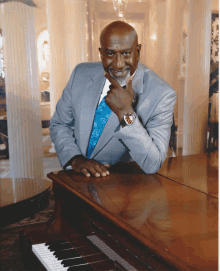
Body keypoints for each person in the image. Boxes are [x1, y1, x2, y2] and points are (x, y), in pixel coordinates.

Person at [50, 21, 177, 177]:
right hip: (75, 180)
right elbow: (60, 123)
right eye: (110, 53)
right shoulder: (80, 73)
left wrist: (126, 113)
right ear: (101, 52)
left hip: (123, 188)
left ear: (138, 51)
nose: (118, 64)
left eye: (126, 53)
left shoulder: (161, 94)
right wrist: (75, 159)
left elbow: (153, 163)